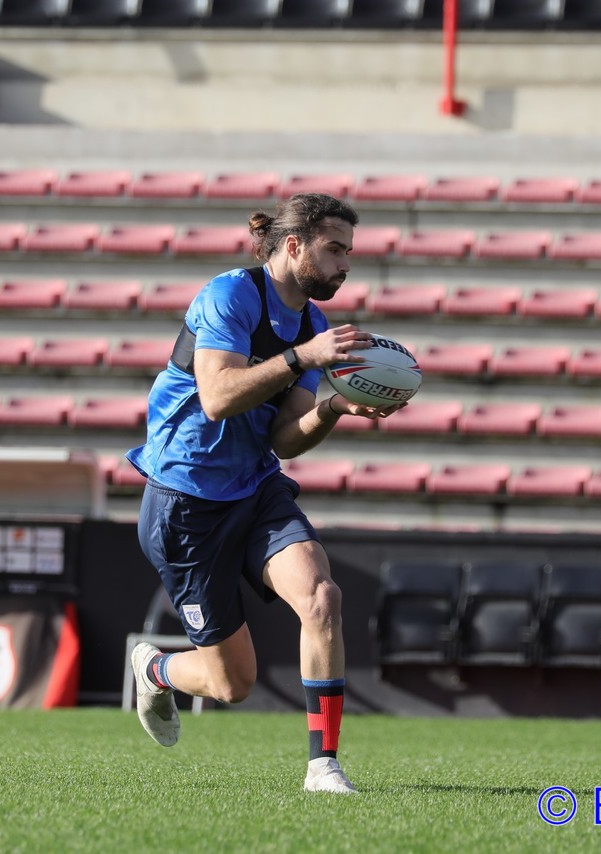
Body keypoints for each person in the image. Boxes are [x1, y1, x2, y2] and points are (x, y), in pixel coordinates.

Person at [124, 193, 405, 795]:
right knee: (233, 685)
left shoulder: (314, 325)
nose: (345, 265)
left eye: (349, 253)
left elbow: (284, 438)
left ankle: (323, 767)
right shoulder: (230, 296)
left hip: (255, 487)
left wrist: (333, 407)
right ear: (295, 245)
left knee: (322, 597)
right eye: (335, 249)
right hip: (185, 499)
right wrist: (302, 359)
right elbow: (218, 397)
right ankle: (157, 668)